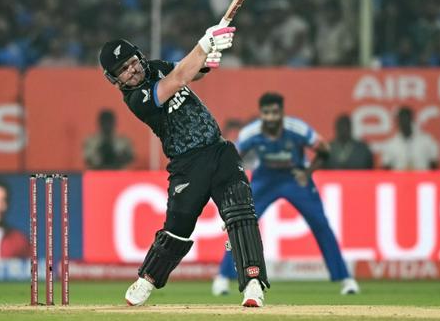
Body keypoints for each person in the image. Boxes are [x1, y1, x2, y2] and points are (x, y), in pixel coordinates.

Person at [98, 25, 270, 307]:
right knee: (177, 229)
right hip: (187, 164)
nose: (132, 70)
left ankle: (253, 283)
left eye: (132, 62)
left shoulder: (156, 67)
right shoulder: (137, 99)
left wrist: (208, 58)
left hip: (219, 150)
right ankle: (147, 280)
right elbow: (178, 79)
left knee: (241, 213)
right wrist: (204, 43)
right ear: (114, 79)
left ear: (140, 57)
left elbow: (192, 72)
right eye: (123, 70)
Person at [211, 92, 360, 296]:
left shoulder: (297, 129)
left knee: (321, 224)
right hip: (265, 179)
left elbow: (325, 149)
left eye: (275, 112)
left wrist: (307, 173)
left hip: (294, 178)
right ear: (261, 114)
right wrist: (237, 179)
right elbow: (233, 156)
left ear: (282, 113)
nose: (271, 117)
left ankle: (346, 279)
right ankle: (222, 277)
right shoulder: (251, 133)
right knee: (241, 223)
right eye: (266, 113)